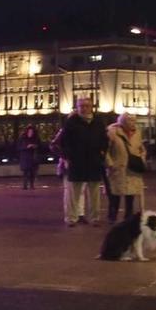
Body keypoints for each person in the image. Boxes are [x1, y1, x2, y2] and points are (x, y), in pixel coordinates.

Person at [52, 96, 106, 225]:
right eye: (81, 106)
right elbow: (62, 143)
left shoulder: (98, 122)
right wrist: (67, 157)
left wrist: (102, 153)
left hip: (93, 161)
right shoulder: (71, 122)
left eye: (87, 106)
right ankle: (71, 218)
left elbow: (104, 140)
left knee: (94, 193)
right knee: (73, 193)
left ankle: (95, 218)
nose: (84, 108)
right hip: (77, 162)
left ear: (91, 107)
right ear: (77, 107)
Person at [104, 114, 146, 222]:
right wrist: (110, 163)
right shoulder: (112, 132)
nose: (133, 123)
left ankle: (129, 217)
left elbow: (141, 148)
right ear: (123, 122)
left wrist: (142, 158)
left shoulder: (137, 132)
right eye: (130, 120)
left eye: (134, 120)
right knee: (115, 194)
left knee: (130, 195)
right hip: (118, 168)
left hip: (132, 168)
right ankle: (112, 217)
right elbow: (106, 150)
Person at [16, 125, 43, 189]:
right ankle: (25, 185)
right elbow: (18, 147)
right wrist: (26, 147)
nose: (31, 133)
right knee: (25, 172)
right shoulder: (22, 138)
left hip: (33, 157)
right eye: (29, 132)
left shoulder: (36, 138)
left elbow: (40, 146)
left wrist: (35, 146)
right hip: (25, 157)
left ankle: (32, 185)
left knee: (32, 172)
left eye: (32, 132)